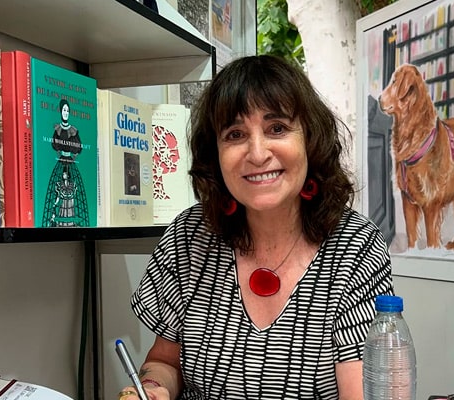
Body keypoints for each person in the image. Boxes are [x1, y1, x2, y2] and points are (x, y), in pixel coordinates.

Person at [118, 54, 394, 400]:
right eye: (235, 134)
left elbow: (359, 393)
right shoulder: (189, 236)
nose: (258, 154)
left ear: (309, 139)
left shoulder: (355, 245)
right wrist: (152, 388)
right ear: (215, 155)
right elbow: (164, 361)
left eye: (277, 128)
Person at [42, 99, 89, 227]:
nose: (66, 113)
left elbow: (78, 147)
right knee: (57, 189)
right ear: (60, 111)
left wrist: (73, 156)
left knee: (74, 193)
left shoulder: (73, 130)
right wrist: (61, 154)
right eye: (64, 110)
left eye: (67, 110)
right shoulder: (57, 129)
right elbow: (54, 144)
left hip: (71, 162)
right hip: (61, 162)